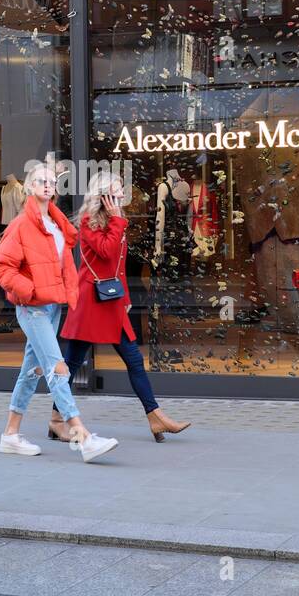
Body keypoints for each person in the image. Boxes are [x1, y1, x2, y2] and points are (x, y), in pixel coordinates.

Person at [0, 164, 118, 463]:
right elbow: (2, 267)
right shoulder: (22, 225)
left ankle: (11, 434)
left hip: (51, 306)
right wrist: (31, 291)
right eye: (41, 181)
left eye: (51, 181)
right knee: (57, 367)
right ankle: (81, 437)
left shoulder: (54, 222)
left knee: (30, 371)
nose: (48, 185)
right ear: (29, 186)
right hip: (33, 307)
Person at [55, 172, 190, 443]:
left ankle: (156, 417)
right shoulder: (88, 221)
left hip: (111, 302)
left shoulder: (116, 221)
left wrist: (126, 297)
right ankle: (57, 419)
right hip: (92, 303)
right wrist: (117, 220)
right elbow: (105, 252)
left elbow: (119, 266)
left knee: (133, 360)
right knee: (72, 362)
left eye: (120, 192)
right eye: (115, 192)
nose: (120, 197)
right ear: (102, 195)